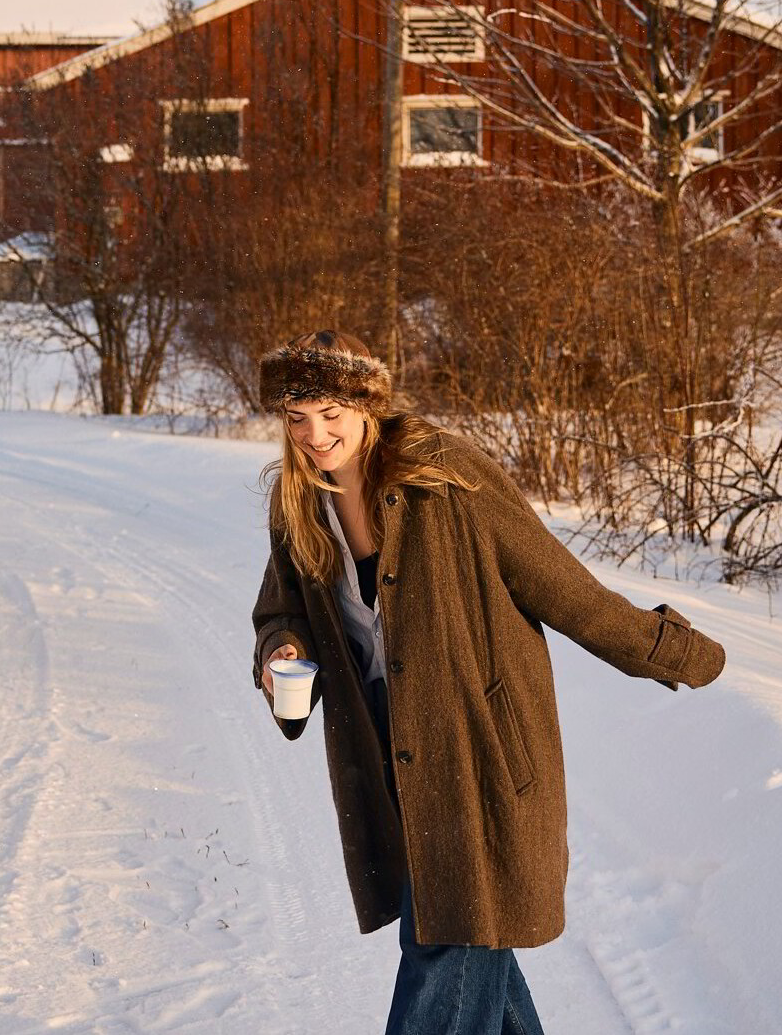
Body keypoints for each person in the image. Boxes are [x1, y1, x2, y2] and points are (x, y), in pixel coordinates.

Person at [249, 330, 726, 1035]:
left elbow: (558, 582)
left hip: (476, 742)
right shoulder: (298, 504)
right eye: (297, 418)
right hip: (385, 747)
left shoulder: (443, 476)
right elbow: (281, 608)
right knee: (463, 936)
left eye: (331, 414)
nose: (315, 435)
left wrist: (670, 651)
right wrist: (279, 652)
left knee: (446, 941)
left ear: (367, 407)